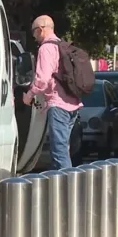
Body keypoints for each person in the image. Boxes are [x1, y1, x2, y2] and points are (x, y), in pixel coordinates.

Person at [23, 15, 82, 170]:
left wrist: (29, 96)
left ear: (41, 29)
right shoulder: (61, 46)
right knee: (64, 149)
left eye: (34, 32)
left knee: (59, 152)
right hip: (73, 104)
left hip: (58, 106)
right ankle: (65, 185)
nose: (34, 37)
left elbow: (42, 79)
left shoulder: (46, 48)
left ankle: (68, 188)